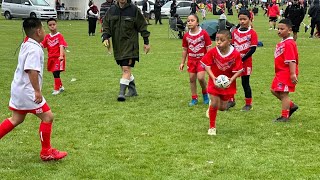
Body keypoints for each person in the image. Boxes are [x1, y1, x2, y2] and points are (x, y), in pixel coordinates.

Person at [0, 17, 67, 161]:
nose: (44, 30)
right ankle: (46, 152)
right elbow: (32, 70)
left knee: (15, 119)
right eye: (42, 28)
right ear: (38, 31)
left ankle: (46, 151)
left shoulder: (27, 43)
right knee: (48, 117)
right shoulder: (34, 49)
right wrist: (37, 91)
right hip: (28, 91)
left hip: (18, 89)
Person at [102, 0, 150, 102]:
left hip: (130, 46)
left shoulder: (134, 10)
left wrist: (146, 42)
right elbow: (106, 25)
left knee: (125, 68)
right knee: (124, 68)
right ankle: (132, 90)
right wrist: (105, 37)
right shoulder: (112, 10)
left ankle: (121, 93)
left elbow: (143, 26)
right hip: (118, 47)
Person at [201, 30, 243, 135]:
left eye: (222, 40)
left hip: (227, 85)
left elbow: (239, 70)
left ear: (229, 41)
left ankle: (212, 106)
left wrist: (231, 80)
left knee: (223, 108)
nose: (218, 42)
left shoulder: (235, 54)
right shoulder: (212, 51)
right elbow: (206, 65)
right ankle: (212, 127)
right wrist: (213, 78)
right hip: (214, 82)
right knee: (215, 103)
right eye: (217, 39)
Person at [228, 10, 258, 111]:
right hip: (234, 61)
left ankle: (248, 104)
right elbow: (231, 45)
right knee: (231, 80)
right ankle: (231, 100)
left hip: (246, 62)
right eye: (240, 19)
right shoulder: (235, 32)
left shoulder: (252, 33)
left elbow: (253, 48)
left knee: (245, 82)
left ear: (250, 19)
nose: (242, 21)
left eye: (244, 19)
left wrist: (242, 59)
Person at [179, 14, 211, 106]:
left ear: (197, 22)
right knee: (192, 79)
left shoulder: (203, 33)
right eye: (188, 21)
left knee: (201, 78)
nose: (190, 22)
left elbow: (208, 48)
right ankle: (194, 98)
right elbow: (185, 50)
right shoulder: (186, 36)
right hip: (191, 60)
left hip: (202, 60)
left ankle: (205, 94)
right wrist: (182, 62)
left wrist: (209, 61)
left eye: (192, 20)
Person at [271, 18, 299, 122]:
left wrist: (292, 74)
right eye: (278, 28)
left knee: (283, 94)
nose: (279, 31)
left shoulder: (289, 43)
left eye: (282, 29)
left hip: (286, 72)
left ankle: (285, 116)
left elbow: (292, 60)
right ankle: (291, 105)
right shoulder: (283, 42)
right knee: (274, 90)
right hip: (280, 72)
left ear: (289, 30)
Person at [41, 18, 68, 95]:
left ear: (56, 25)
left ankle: (56, 89)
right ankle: (61, 86)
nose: (52, 26)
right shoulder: (47, 36)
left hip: (58, 58)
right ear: (48, 26)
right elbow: (42, 45)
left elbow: (61, 46)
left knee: (56, 73)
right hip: (51, 58)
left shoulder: (59, 36)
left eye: (54, 24)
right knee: (54, 73)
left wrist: (61, 56)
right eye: (50, 25)